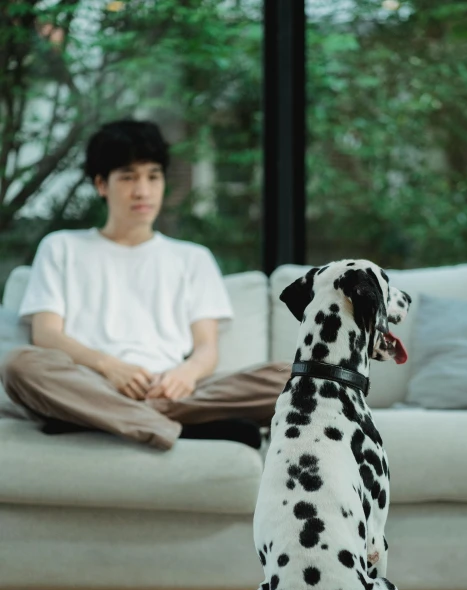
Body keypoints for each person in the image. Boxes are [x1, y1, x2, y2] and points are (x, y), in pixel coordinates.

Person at [0, 119, 289, 450]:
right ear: (101, 185)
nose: (143, 190)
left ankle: (107, 420)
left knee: (295, 377)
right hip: (92, 384)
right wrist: (110, 367)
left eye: (153, 176)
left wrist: (186, 375)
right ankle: (173, 428)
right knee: (18, 365)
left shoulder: (193, 258)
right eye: (128, 177)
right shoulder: (61, 247)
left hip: (175, 391)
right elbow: (47, 335)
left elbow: (206, 347)